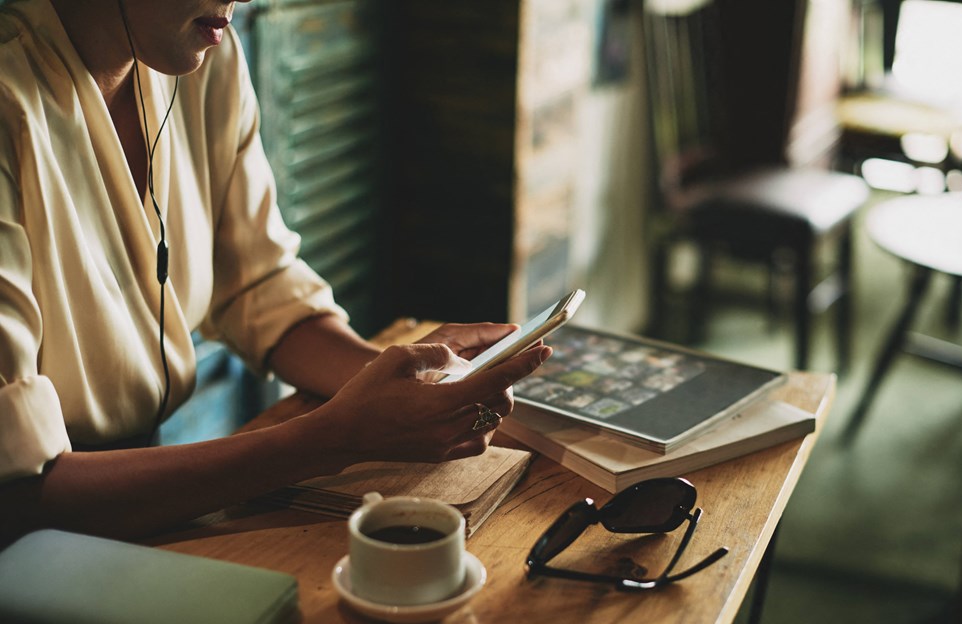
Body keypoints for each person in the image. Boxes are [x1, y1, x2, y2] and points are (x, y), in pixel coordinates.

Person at [0, 0, 551, 543]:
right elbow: (21, 495)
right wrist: (334, 439)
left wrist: (412, 389)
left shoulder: (202, 57)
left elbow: (259, 283)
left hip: (146, 506)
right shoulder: (11, 101)